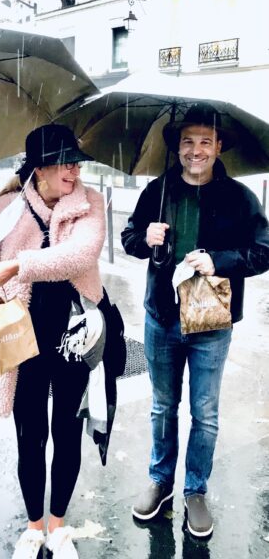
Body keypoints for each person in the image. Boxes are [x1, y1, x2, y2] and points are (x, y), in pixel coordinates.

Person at [0, 124, 106, 559]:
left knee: (67, 430)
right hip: (20, 339)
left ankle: (59, 526)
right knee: (30, 434)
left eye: (77, 164)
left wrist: (17, 265)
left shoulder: (89, 204)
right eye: (67, 164)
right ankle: (34, 527)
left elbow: (79, 255)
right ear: (40, 167)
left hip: (75, 335)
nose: (75, 172)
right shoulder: (5, 208)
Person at [121, 103, 269, 538]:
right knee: (163, 407)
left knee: (204, 412)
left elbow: (263, 252)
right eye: (188, 141)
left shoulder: (241, 198)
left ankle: (195, 489)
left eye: (206, 141)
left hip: (212, 322)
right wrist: (143, 238)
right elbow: (129, 237)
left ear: (219, 147)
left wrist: (217, 260)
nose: (196, 150)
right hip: (162, 317)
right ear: (177, 146)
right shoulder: (158, 191)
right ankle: (161, 481)